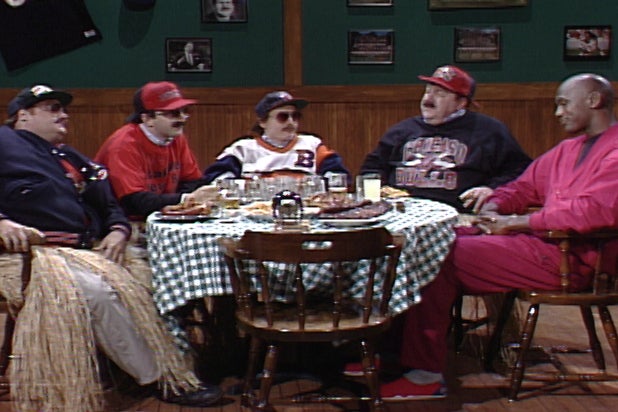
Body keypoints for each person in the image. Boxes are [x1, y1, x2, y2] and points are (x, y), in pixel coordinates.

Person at [380, 73, 618, 400]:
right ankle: (391, 354)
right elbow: (522, 187)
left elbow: (591, 213)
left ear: (594, 100)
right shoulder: (568, 149)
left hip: (574, 259)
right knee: (426, 241)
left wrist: (518, 222)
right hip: (542, 245)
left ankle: (425, 374)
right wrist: (494, 207)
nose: (558, 113)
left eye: (564, 104)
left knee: (438, 255)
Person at [0, 85, 222, 411]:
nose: (64, 115)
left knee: (154, 279)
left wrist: (118, 230)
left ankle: (134, 365)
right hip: (34, 254)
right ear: (23, 116)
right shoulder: (4, 143)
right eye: (52, 108)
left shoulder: (70, 156)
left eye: (64, 108)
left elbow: (109, 203)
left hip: (89, 248)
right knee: (98, 293)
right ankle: (160, 377)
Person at [360, 65, 531, 213]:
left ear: (461, 103)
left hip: (456, 214)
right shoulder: (402, 130)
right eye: (427, 91)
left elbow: (520, 171)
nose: (428, 99)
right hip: (399, 212)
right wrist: (376, 195)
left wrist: (490, 189)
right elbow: (372, 169)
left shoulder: (489, 131)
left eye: (440, 93)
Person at [95, 81, 214, 221]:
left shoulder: (175, 137)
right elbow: (133, 202)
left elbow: (193, 180)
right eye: (174, 113)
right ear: (147, 119)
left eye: (185, 111)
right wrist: (185, 199)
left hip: (161, 217)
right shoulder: (123, 145)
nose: (182, 118)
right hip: (124, 222)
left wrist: (185, 202)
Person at [202, 90, 350, 182]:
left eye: (295, 116)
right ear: (263, 122)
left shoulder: (312, 145)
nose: (291, 122)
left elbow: (338, 176)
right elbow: (216, 179)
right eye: (283, 117)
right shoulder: (242, 149)